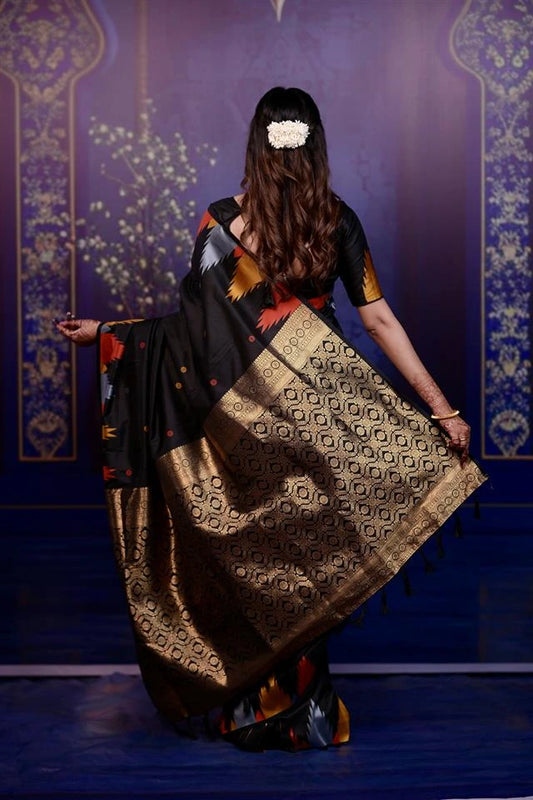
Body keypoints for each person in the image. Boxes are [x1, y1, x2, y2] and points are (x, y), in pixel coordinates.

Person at [56, 86, 486, 752]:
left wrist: (112, 335)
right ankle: (303, 706)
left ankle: (268, 705)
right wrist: (440, 406)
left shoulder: (222, 221)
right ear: (312, 141)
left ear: (257, 141)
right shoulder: (335, 219)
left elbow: (194, 336)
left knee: (263, 555)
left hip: (241, 419)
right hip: (322, 412)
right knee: (311, 550)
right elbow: (374, 318)